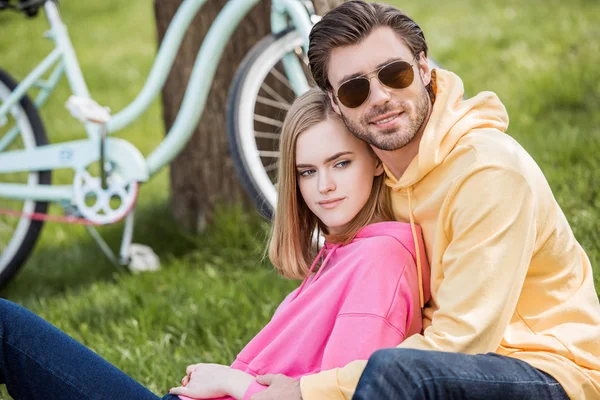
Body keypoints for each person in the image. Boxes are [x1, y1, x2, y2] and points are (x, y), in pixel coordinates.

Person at [250, 1, 600, 399]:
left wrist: (305, 390)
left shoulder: (487, 172)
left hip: (550, 373)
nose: (379, 97)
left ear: (423, 67)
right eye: (354, 88)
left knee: (395, 372)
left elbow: (462, 342)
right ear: (335, 102)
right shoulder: (376, 173)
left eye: (394, 73)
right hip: (442, 367)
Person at [0, 88, 430, 400]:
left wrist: (230, 381)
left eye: (340, 163)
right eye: (307, 172)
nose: (325, 186)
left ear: (376, 160)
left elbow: (336, 396)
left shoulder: (380, 258)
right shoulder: (343, 253)